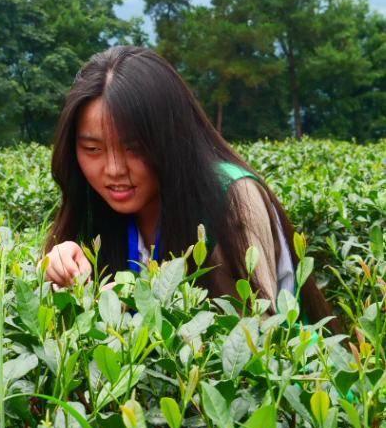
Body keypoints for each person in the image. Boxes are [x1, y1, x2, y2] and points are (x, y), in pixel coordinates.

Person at [41, 46, 334, 325]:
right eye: (93, 149)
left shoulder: (233, 197)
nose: (114, 170)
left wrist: (131, 299)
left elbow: (258, 338)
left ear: (171, 138)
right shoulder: (95, 204)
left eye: (134, 148)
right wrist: (61, 270)